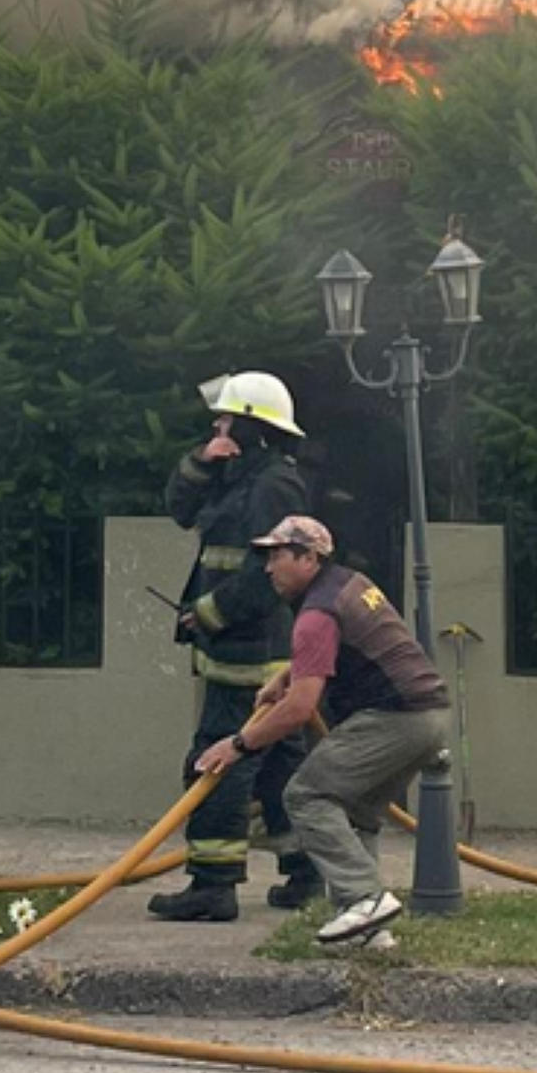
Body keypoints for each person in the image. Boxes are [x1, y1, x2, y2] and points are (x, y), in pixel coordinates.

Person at [194, 514, 451, 948]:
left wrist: (236, 745)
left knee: (306, 795)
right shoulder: (350, 584)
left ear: (309, 558)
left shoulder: (316, 613)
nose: (269, 567)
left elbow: (299, 710)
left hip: (394, 717)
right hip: (429, 716)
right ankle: (369, 933)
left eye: (278, 556)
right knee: (354, 813)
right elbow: (350, 645)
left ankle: (364, 899)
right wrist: (291, 673)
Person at [151, 371, 320, 923]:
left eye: (226, 419)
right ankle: (309, 872)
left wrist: (206, 614)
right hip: (239, 648)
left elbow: (264, 574)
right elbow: (179, 509)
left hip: (250, 656)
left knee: (216, 763)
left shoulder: (273, 485)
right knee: (279, 776)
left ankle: (213, 885)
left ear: (251, 426)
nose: (217, 425)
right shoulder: (234, 475)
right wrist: (202, 459)